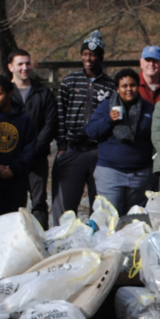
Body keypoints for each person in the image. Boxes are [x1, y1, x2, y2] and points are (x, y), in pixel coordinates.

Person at [52, 30, 116, 224]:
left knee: (100, 204)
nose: (89, 59)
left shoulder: (111, 86)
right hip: (72, 149)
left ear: (101, 57)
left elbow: (114, 118)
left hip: (99, 151)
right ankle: (62, 240)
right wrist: (62, 144)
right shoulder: (69, 82)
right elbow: (59, 113)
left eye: (93, 55)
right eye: (85, 54)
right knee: (65, 205)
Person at [86, 68, 155, 214]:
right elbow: (91, 131)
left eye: (133, 85)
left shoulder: (149, 108)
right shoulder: (107, 106)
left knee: (135, 221)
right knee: (111, 219)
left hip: (141, 175)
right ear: (117, 88)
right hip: (111, 173)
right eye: (124, 86)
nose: (129, 89)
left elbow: (157, 136)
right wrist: (109, 120)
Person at [8, 49, 56, 228]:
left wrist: (34, 149)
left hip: (37, 158)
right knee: (14, 204)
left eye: (27, 63)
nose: (24, 68)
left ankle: (42, 239)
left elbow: (50, 123)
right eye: (20, 64)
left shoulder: (42, 92)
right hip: (12, 160)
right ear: (10, 66)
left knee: (39, 202)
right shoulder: (5, 93)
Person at [0, 76, 36, 217]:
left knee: (14, 220)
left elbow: (29, 148)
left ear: (9, 94)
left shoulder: (24, 120)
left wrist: (14, 167)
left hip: (16, 180)